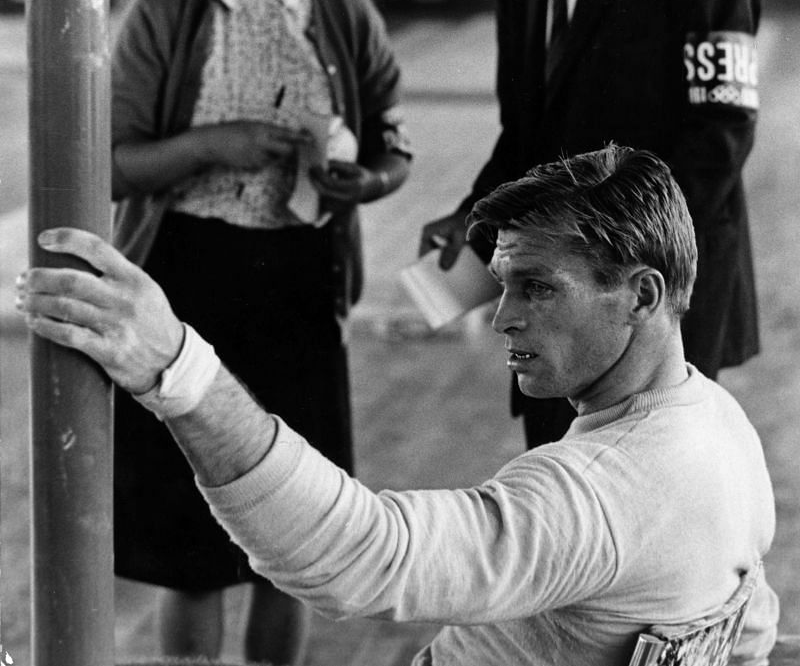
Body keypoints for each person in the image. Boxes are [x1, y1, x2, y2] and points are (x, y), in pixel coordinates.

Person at [18, 145, 778, 666]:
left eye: (538, 286)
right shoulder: (719, 424)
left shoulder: (599, 494)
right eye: (503, 283)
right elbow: (751, 622)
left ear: (642, 293)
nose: (501, 316)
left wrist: (173, 366)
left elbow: (365, 555)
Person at [108, 0, 412, 663]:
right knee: (191, 544)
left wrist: (372, 177)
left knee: (296, 530)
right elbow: (112, 161)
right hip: (185, 279)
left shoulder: (348, 14)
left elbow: (395, 141)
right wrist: (214, 145)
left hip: (301, 283)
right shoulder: (169, 9)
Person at [419, 0, 761, 450]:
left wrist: (619, 263)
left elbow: (720, 139)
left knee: (655, 510)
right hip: (557, 295)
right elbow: (527, 134)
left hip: (657, 293)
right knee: (560, 490)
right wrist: (474, 215)